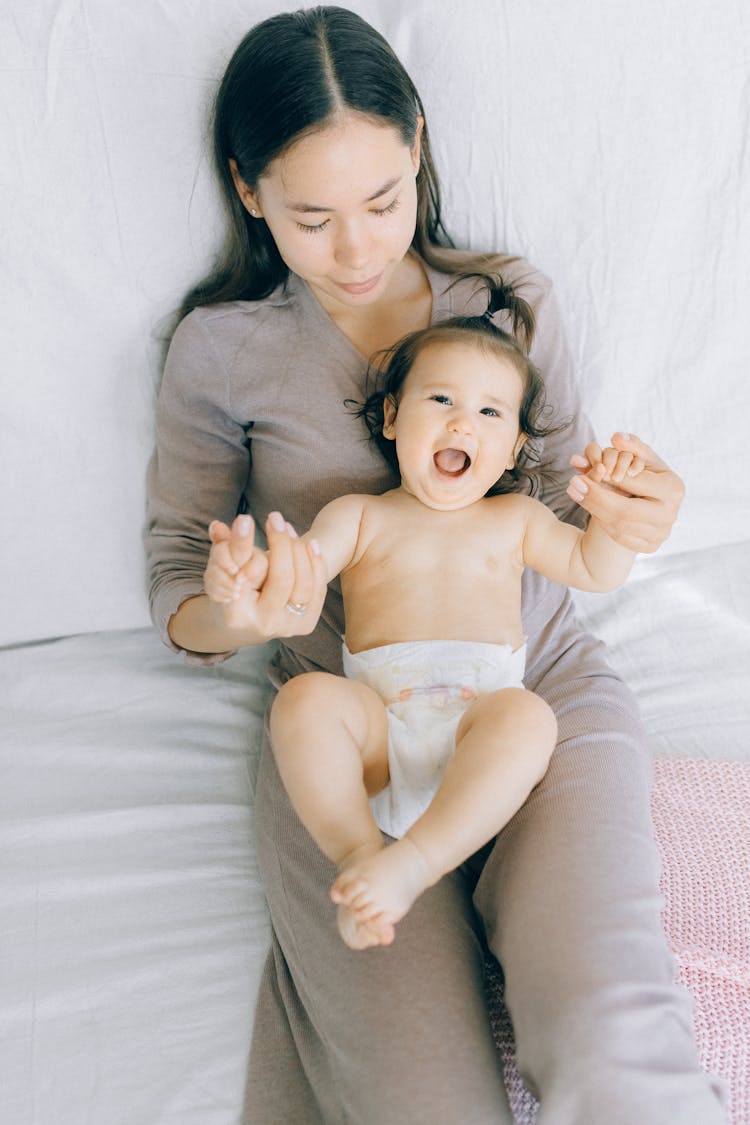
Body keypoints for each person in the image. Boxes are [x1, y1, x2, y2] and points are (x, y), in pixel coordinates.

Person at [146, 6, 727, 1122]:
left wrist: (630, 516)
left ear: (418, 145)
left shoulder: (508, 304)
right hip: (351, 732)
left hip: (532, 689)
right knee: (423, 1104)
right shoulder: (222, 351)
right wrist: (239, 610)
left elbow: (565, 507)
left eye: (382, 202)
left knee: (617, 1050)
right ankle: (390, 869)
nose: (358, 251)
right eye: (313, 219)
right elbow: (178, 576)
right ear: (248, 190)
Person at [202, 282, 646, 952]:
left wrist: (614, 517)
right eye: (440, 399)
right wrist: (252, 569)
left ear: (516, 446)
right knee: (303, 701)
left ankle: (411, 864)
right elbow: (302, 570)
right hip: (380, 744)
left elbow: (593, 568)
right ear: (390, 419)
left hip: (479, 734)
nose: (462, 423)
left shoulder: (516, 519)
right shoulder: (362, 515)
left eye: (490, 412)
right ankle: (359, 858)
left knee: (529, 717)